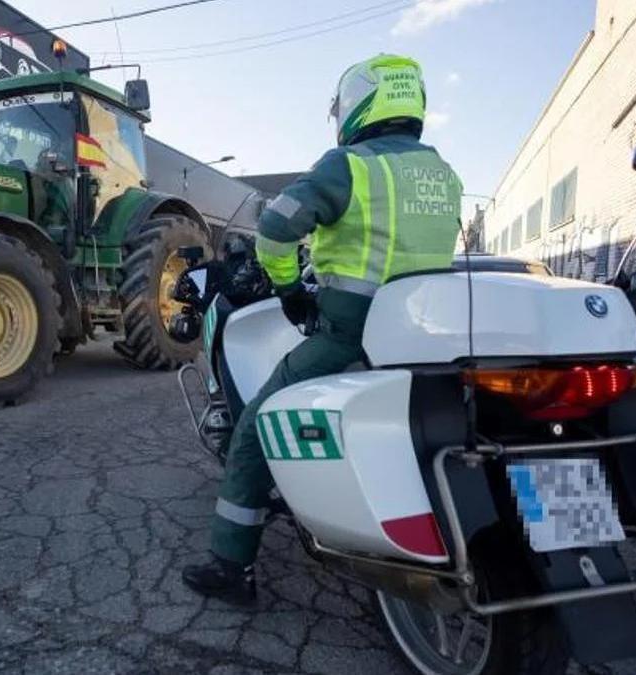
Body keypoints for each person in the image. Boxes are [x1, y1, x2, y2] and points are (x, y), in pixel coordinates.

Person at [181, 54, 463, 603]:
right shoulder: (444, 174)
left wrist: (288, 291)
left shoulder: (350, 165)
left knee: (257, 427)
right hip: (429, 335)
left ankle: (232, 566)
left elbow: (275, 226)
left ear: (360, 103)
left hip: (349, 334)